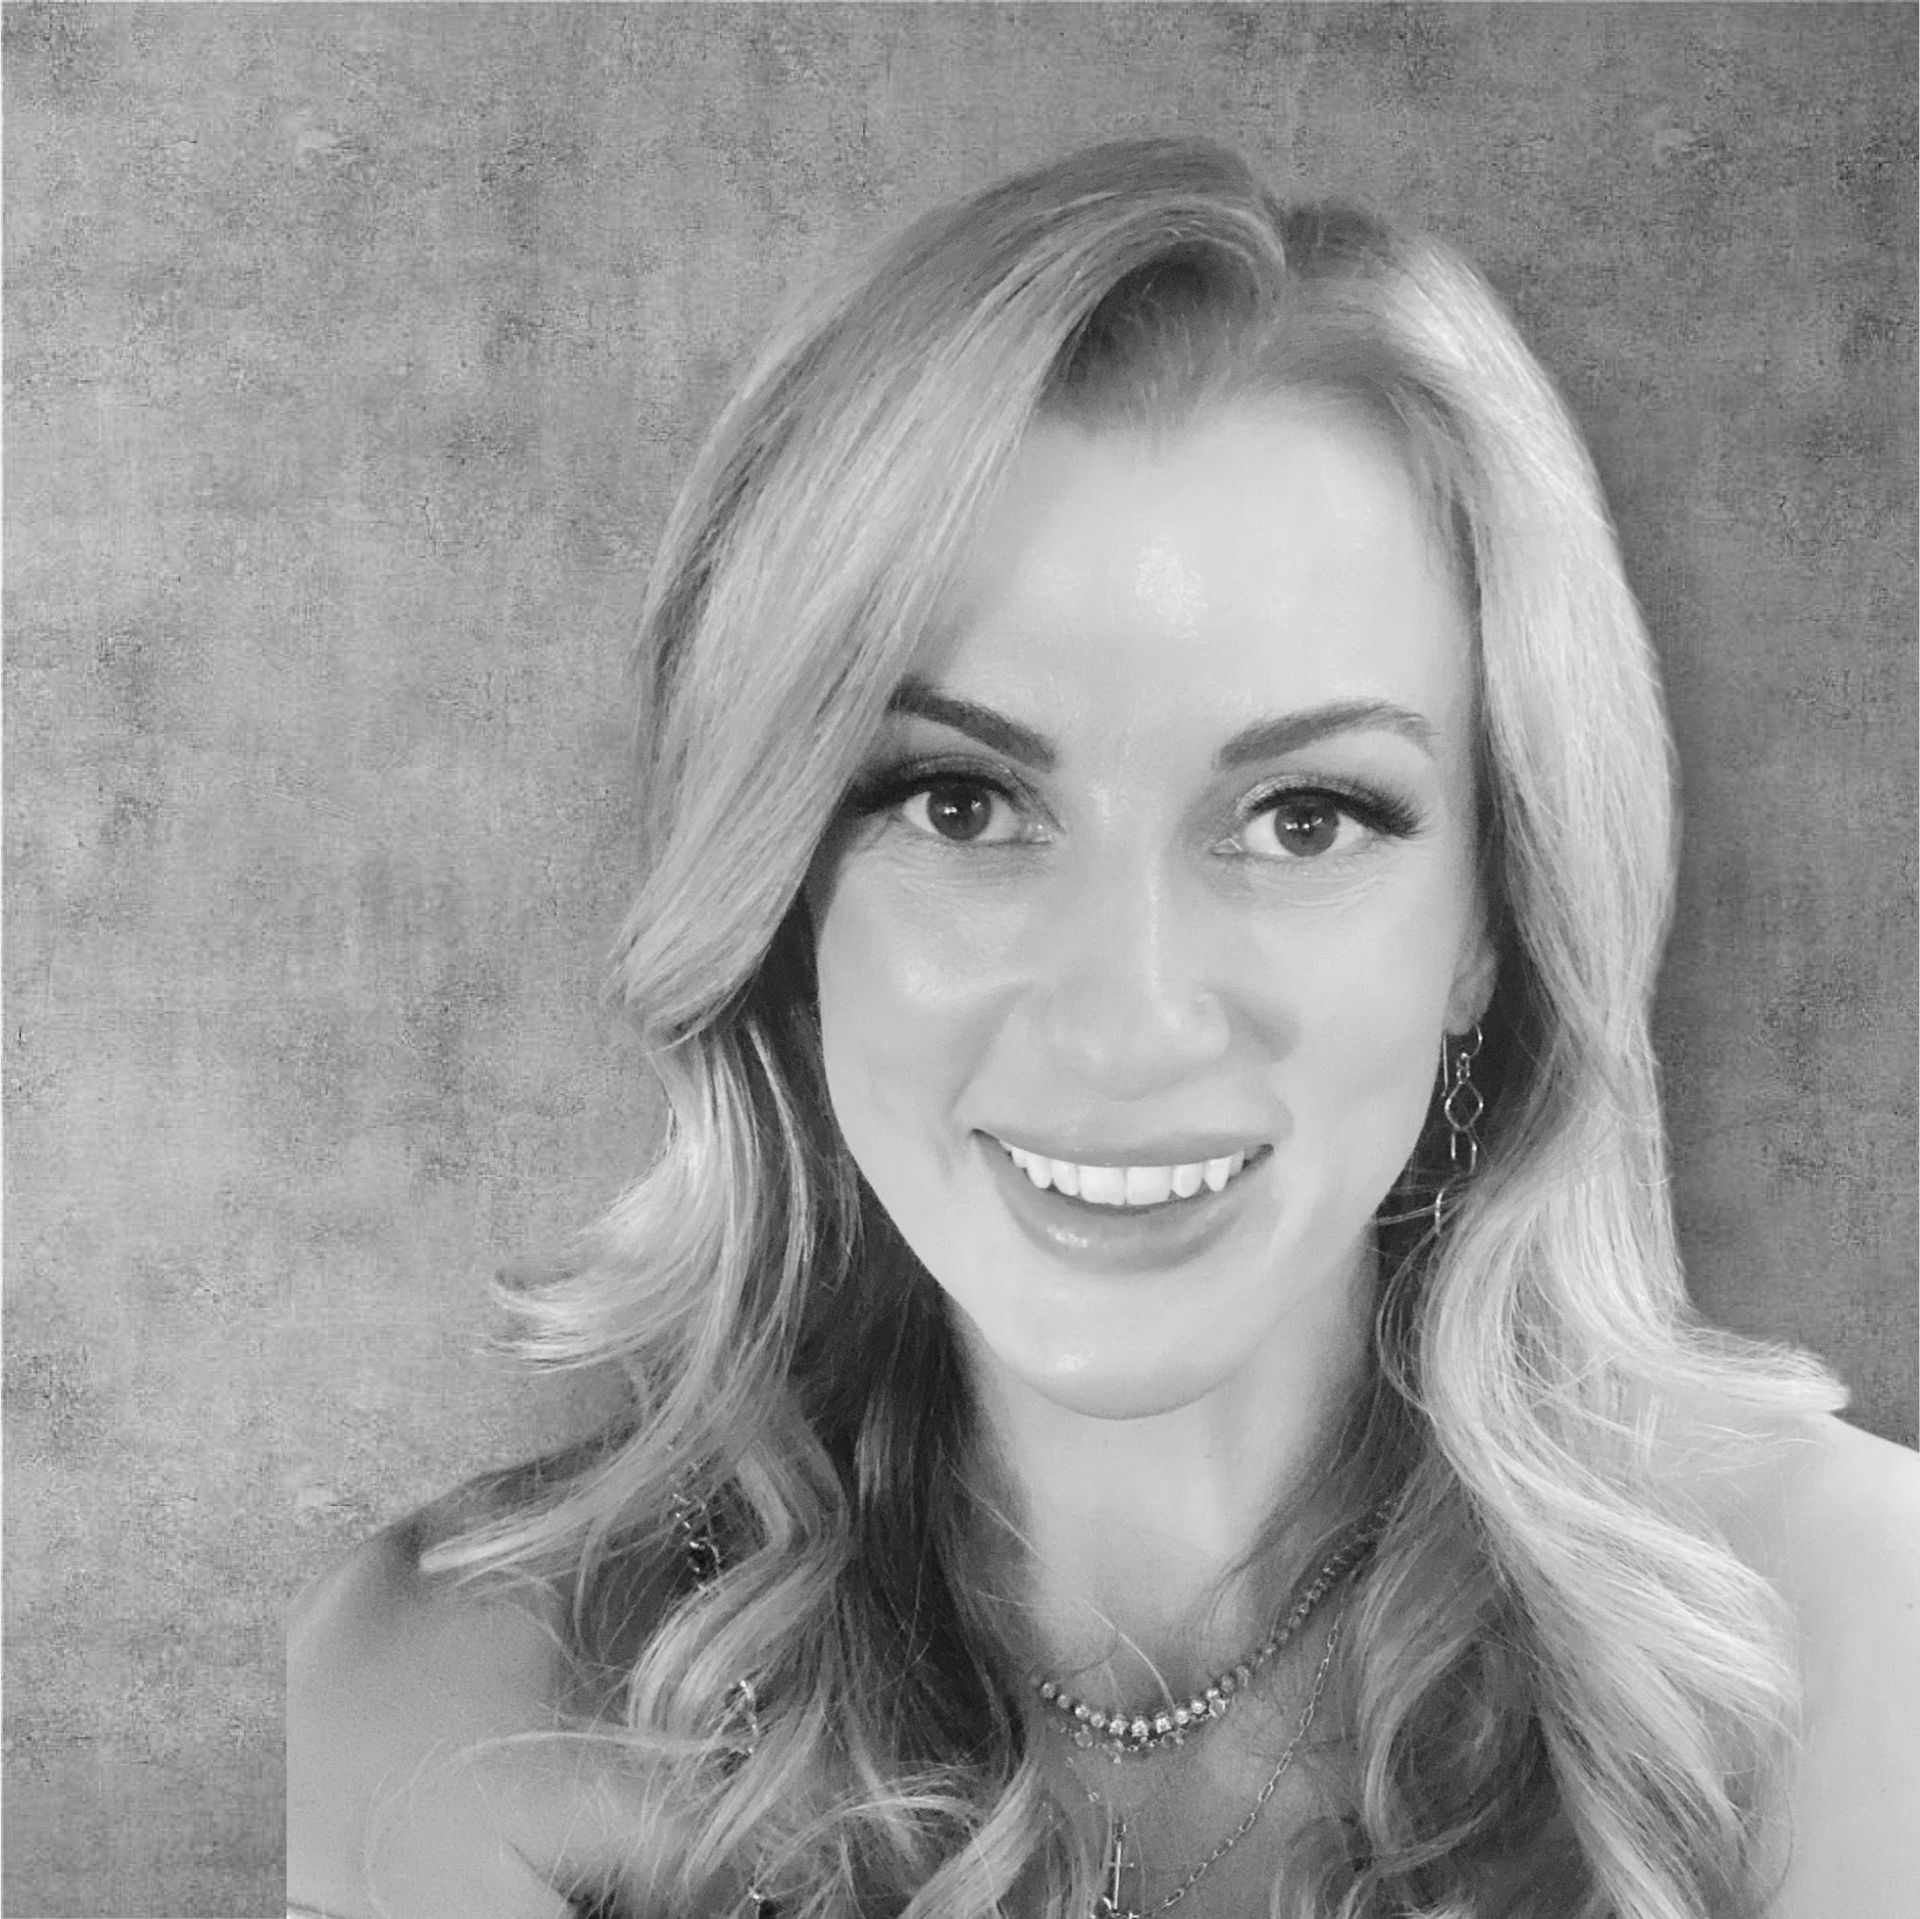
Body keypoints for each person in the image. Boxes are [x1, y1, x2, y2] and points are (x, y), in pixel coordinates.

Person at [287, 138, 1919, 1919]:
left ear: (1493, 923)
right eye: (962, 803)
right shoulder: (442, 1703)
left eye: (1305, 817)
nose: (1127, 1023)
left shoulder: (1856, 1644)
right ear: (783, 898)